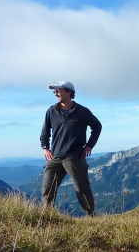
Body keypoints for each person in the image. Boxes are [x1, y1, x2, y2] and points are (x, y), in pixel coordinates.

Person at [40, 81, 102, 216]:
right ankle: (47, 216)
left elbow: (97, 126)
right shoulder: (51, 111)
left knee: (81, 188)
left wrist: (89, 145)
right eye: (54, 91)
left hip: (74, 156)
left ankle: (91, 217)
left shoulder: (82, 111)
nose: (56, 93)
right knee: (48, 188)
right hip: (55, 157)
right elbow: (45, 132)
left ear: (68, 92)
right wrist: (45, 147)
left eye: (58, 90)